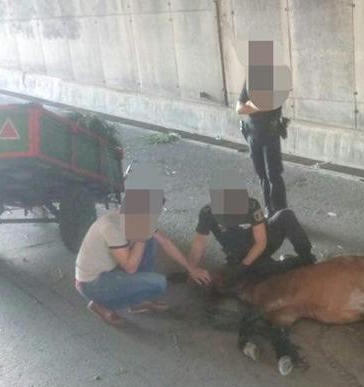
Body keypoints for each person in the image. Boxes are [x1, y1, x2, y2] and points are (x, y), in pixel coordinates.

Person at [75, 173, 209, 326]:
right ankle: (101, 305)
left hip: (108, 270)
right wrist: (141, 235)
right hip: (91, 283)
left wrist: (191, 268)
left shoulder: (132, 218)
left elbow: (165, 242)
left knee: (151, 240)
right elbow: (130, 267)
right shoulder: (112, 227)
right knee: (158, 283)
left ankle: (137, 302)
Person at [188, 173, 316, 282]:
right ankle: (292, 264)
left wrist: (244, 266)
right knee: (268, 275)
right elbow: (199, 243)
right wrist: (191, 269)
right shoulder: (207, 213)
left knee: (286, 215)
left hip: (261, 243)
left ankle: (306, 256)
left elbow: (261, 242)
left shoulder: (252, 205)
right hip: (240, 253)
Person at [236, 39, 292, 217]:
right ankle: (269, 208)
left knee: (273, 175)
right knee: (262, 175)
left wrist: (252, 105)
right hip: (253, 134)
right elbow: (239, 108)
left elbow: (272, 103)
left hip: (270, 133)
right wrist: (257, 104)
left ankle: (281, 212)